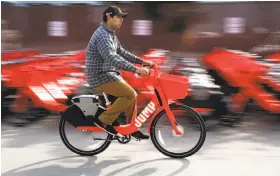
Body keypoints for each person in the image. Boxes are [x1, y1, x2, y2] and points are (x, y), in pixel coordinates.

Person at [85, 6, 154, 139]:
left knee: (131, 93)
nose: (122, 20)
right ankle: (103, 120)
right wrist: (136, 69)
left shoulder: (110, 34)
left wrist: (142, 61)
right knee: (130, 94)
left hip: (108, 74)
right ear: (109, 17)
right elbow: (113, 58)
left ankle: (132, 127)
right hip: (99, 76)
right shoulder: (102, 36)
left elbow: (122, 52)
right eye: (119, 17)